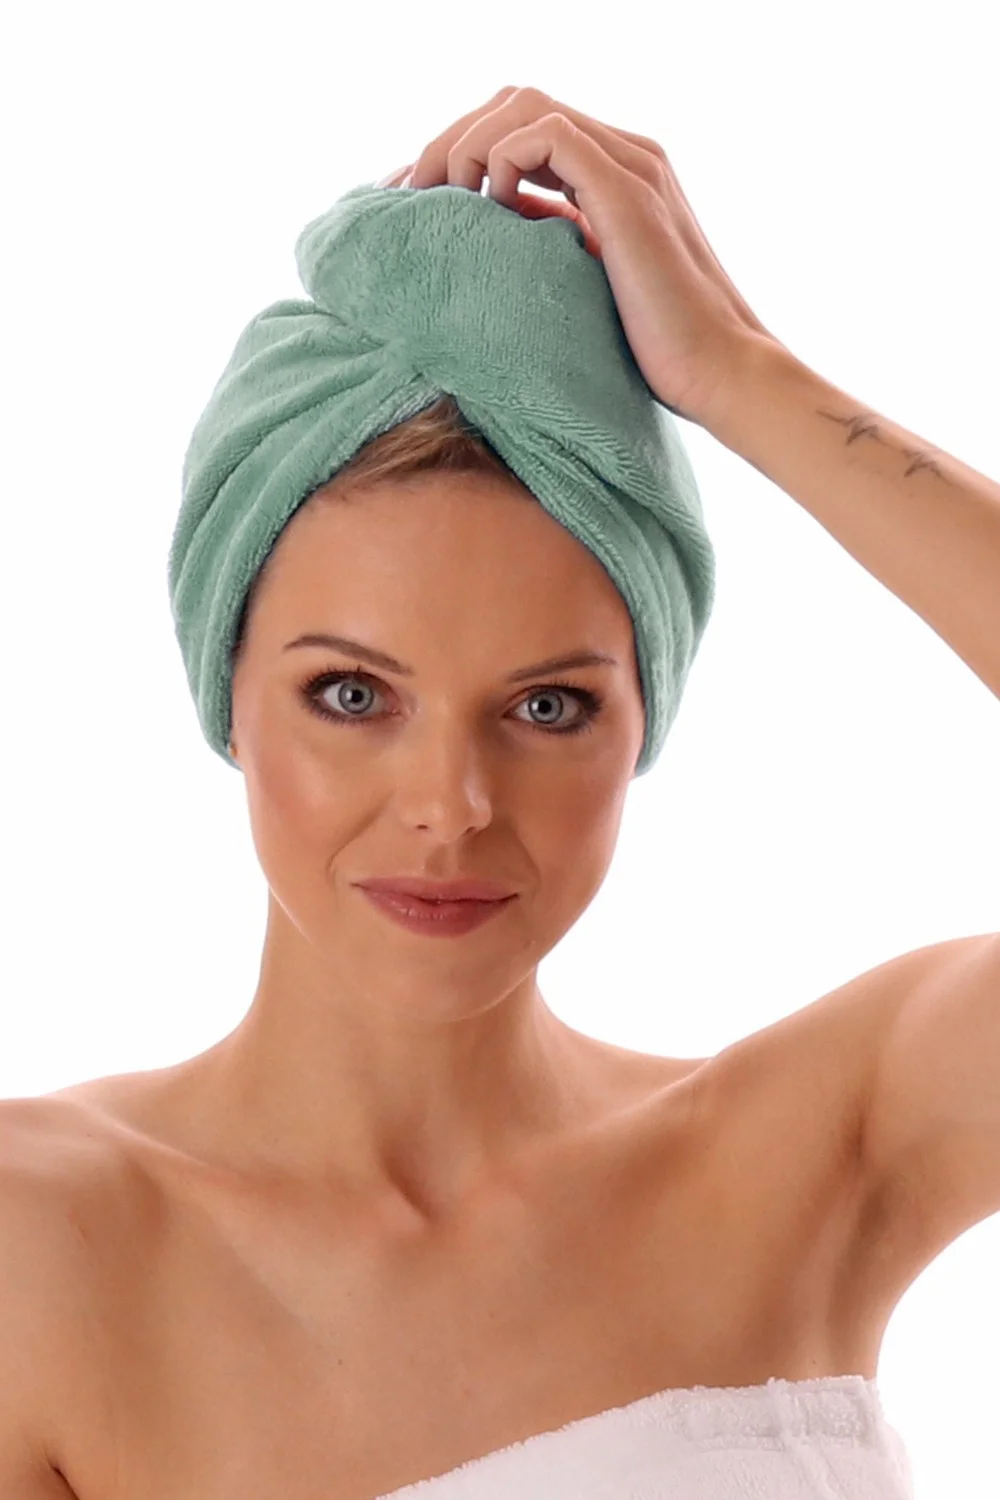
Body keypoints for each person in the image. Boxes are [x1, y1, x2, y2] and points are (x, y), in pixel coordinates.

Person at [3, 85, 999, 1499]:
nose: (452, 804)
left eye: (547, 707)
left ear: (643, 721)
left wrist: (741, 376)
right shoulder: (41, 1253)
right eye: (353, 695)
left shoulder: (820, 1150)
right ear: (225, 689)